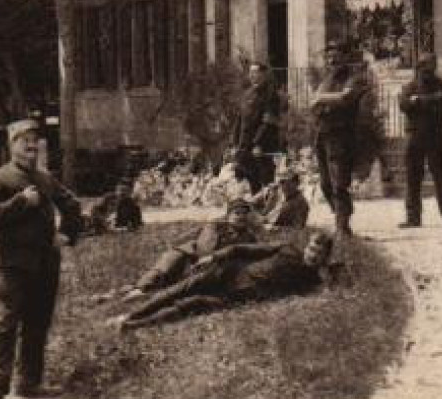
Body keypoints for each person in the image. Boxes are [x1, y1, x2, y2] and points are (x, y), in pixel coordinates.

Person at [0, 119, 84, 399]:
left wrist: (67, 234)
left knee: (38, 323)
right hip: (12, 264)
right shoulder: (0, 178)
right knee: (6, 321)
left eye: (34, 141)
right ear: (11, 145)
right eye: (24, 140)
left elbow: (72, 205)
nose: (30, 145)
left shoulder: (46, 178)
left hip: (45, 263)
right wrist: (21, 202)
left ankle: (29, 382)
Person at [114, 231, 335, 331]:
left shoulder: (312, 280)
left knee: (194, 303)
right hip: (229, 273)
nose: (313, 254)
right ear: (307, 246)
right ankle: (131, 314)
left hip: (240, 296)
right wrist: (213, 257)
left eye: (319, 253)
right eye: (312, 248)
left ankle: (133, 326)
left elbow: (327, 290)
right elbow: (241, 248)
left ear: (325, 257)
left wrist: (326, 274)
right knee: (180, 289)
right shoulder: (286, 248)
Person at [93, 197, 264, 304]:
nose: (240, 217)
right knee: (158, 274)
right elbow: (201, 243)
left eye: (244, 213)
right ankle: (117, 294)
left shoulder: (250, 238)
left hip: (209, 271)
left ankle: (135, 295)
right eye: (237, 213)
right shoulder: (215, 226)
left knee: (171, 289)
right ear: (228, 215)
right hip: (189, 258)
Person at [309, 43, 365, 238]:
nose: (332, 61)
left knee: (339, 182)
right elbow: (313, 106)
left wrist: (320, 98)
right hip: (322, 134)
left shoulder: (354, 78)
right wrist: (320, 102)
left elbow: (346, 98)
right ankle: (342, 213)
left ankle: (342, 225)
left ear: (345, 58)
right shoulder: (325, 80)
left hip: (342, 136)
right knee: (325, 183)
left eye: (336, 57)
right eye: (329, 57)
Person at [397, 57, 442, 228]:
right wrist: (421, 101)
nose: (426, 70)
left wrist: (417, 100)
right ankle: (413, 218)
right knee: (412, 178)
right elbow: (403, 105)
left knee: (441, 177)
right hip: (414, 137)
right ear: (418, 67)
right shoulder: (409, 87)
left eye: (430, 66)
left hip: (436, 137)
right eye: (423, 66)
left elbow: (441, 103)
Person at [233, 62, 283, 192]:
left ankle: (269, 209)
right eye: (250, 72)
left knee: (266, 179)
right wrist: (234, 142)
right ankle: (258, 209)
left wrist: (257, 143)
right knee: (251, 178)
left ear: (264, 74)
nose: (252, 75)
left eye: (255, 72)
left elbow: (268, 122)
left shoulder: (270, 94)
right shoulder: (247, 94)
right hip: (245, 144)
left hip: (262, 144)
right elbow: (239, 120)